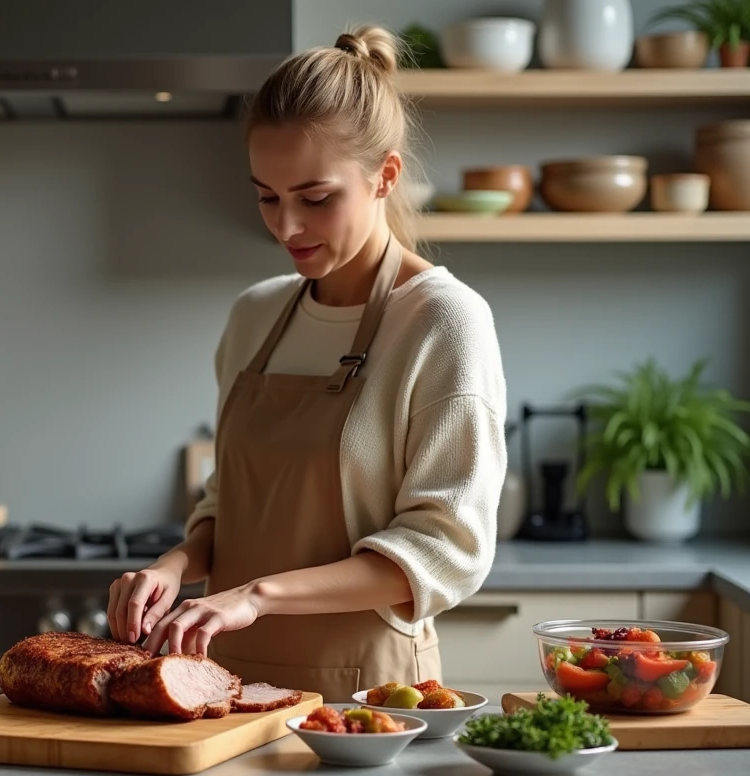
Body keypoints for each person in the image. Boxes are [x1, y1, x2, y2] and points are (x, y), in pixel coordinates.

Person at [106, 25, 508, 701]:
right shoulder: (254, 316)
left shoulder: (445, 322)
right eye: (267, 196)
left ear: (385, 176)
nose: (287, 227)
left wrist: (257, 596)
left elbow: (446, 546)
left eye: (315, 199)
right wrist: (176, 565)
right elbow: (229, 500)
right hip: (225, 688)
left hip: (370, 700)